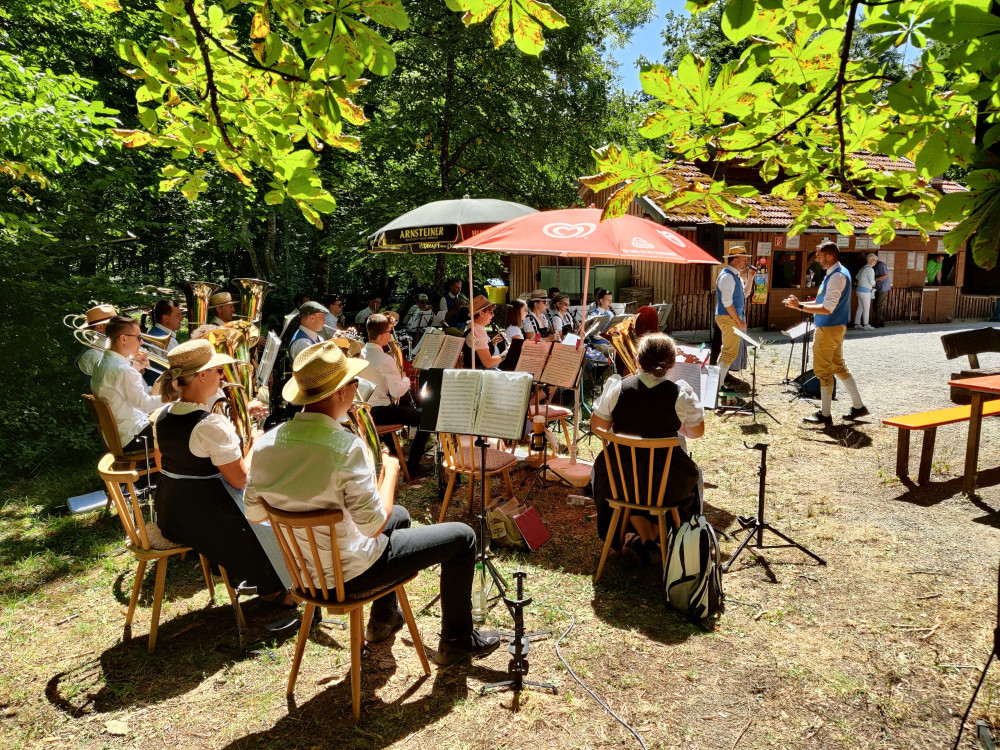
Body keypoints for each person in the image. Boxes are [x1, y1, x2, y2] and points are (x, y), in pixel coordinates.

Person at [247, 341, 501, 663]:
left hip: (305, 574)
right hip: (350, 574)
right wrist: (391, 470)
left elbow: (255, 514)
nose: (356, 389)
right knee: (464, 538)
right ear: (340, 392)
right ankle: (458, 640)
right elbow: (373, 526)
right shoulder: (344, 447)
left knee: (402, 514)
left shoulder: (266, 443)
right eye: (353, 383)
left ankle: (383, 618)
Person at [153, 339, 294, 606]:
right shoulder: (210, 424)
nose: (222, 376)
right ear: (202, 375)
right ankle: (273, 589)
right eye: (218, 371)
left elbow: (163, 466)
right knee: (270, 517)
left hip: (170, 512)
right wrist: (255, 443)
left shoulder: (162, 414)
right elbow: (240, 480)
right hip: (203, 515)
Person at [589, 333, 704, 563]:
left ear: (638, 361)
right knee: (694, 477)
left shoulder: (618, 388)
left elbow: (597, 426)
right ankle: (659, 536)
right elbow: (696, 432)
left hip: (621, 481)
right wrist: (672, 424)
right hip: (667, 484)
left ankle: (647, 536)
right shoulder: (679, 394)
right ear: (671, 364)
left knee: (618, 479)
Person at [783, 241, 869, 426]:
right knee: (838, 366)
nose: (817, 258)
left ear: (829, 256)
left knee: (823, 371)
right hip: (834, 328)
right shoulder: (836, 273)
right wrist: (800, 306)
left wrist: (800, 306)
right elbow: (824, 301)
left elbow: (827, 308)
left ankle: (825, 414)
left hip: (829, 328)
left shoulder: (837, 276)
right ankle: (858, 406)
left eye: (820, 255)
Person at [361, 314, 431, 479]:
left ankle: (396, 460)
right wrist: (405, 378)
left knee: (396, 410)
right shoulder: (385, 359)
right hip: (378, 412)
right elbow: (397, 392)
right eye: (389, 332)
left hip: (364, 412)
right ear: (382, 335)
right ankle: (413, 467)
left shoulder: (359, 353)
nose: (391, 336)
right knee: (426, 419)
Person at [91, 315, 161, 451]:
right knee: (185, 423)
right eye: (139, 337)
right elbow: (145, 406)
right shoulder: (123, 370)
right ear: (123, 338)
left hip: (119, 437)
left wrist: (136, 367)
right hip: (133, 437)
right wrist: (176, 397)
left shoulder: (101, 363)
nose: (141, 342)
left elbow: (116, 379)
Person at [714, 247, 753, 394]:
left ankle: (718, 383)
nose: (746, 262)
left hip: (729, 317)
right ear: (735, 260)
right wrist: (739, 320)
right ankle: (717, 386)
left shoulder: (734, 275)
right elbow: (726, 302)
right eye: (744, 260)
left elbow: (745, 294)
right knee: (729, 352)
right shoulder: (727, 276)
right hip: (728, 317)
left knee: (728, 352)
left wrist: (751, 277)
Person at [464, 295, 506, 369]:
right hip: (478, 376)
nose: (493, 315)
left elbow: (478, 350)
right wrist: (505, 354)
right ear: (481, 313)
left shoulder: (472, 327)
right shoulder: (477, 331)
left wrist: (492, 343)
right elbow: (488, 362)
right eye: (491, 312)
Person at [76, 303, 116, 380]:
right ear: (100, 327)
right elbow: (114, 378)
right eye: (117, 325)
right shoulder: (92, 354)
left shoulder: (109, 347)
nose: (122, 328)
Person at [853, 254, 876, 330]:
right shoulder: (870, 269)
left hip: (859, 289)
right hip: (866, 290)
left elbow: (856, 277)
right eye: (873, 260)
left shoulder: (863, 268)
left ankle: (857, 323)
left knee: (860, 307)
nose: (875, 262)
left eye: (876, 260)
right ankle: (866, 324)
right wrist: (875, 283)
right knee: (866, 307)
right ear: (869, 260)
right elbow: (872, 282)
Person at [871, 252, 890, 328]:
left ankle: (878, 322)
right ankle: (881, 321)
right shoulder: (874, 266)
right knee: (876, 305)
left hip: (882, 287)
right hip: (877, 287)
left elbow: (885, 275)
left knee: (879, 305)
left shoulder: (880, 265)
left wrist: (875, 279)